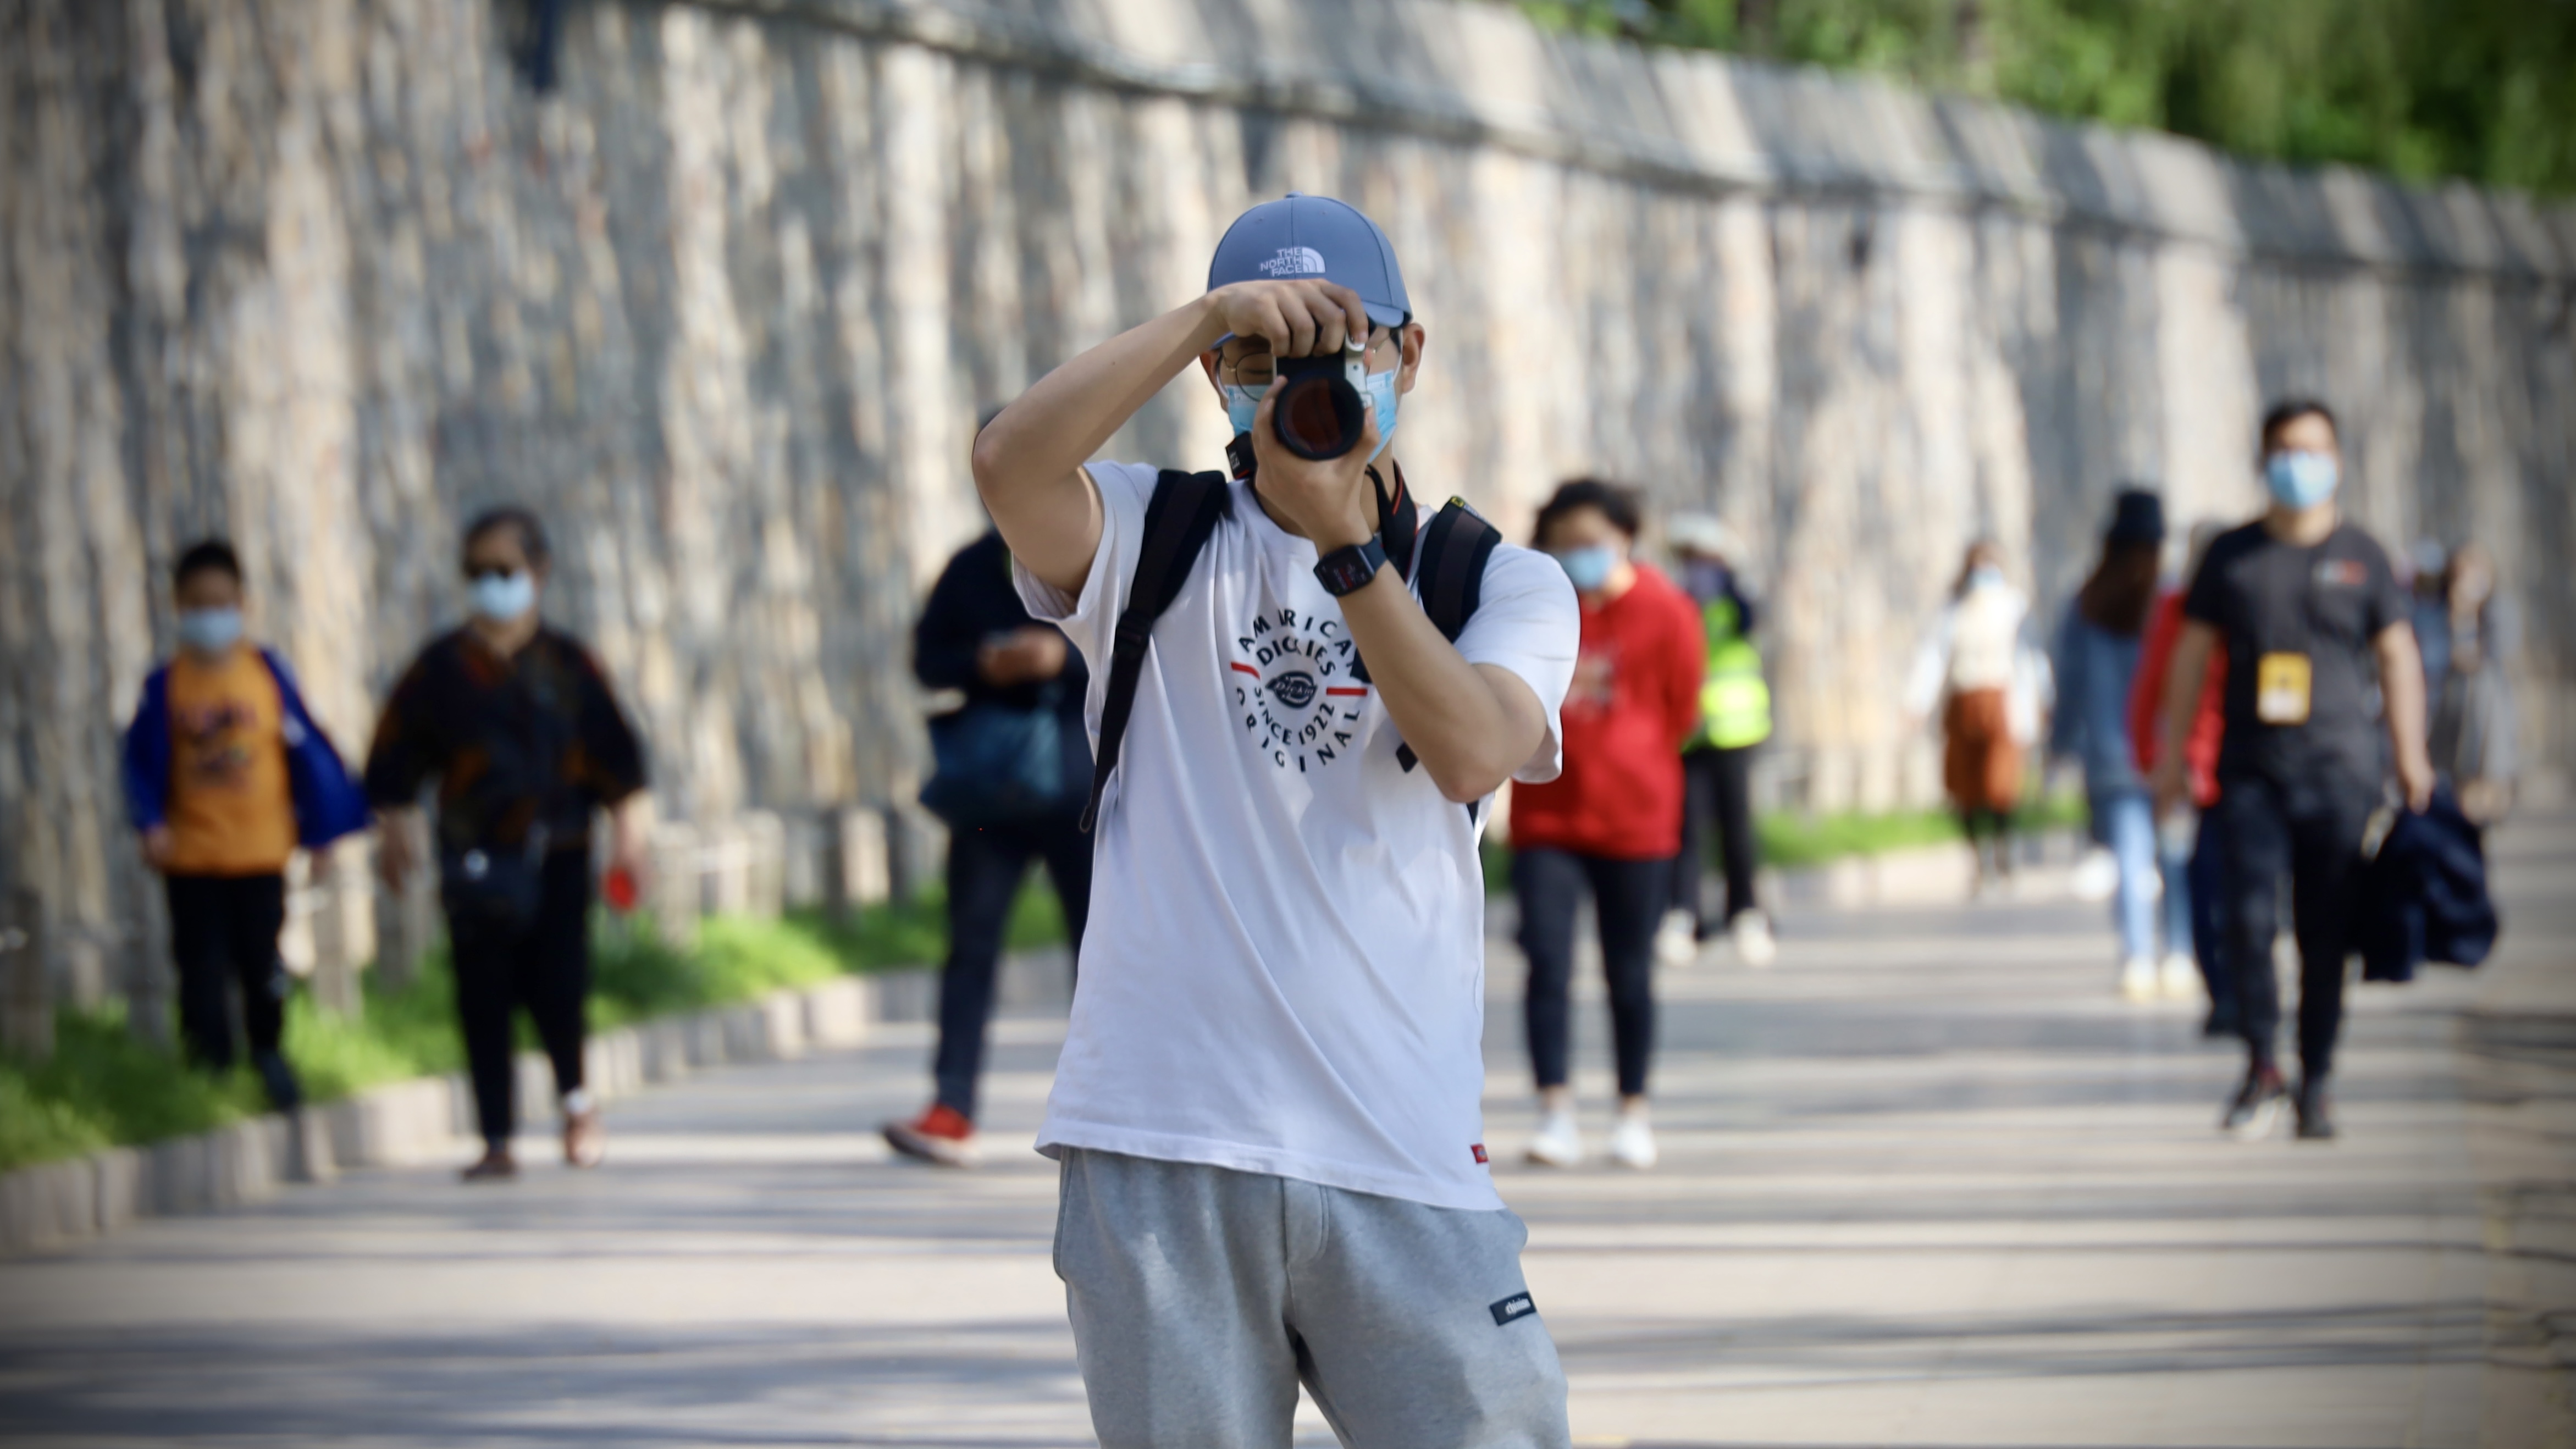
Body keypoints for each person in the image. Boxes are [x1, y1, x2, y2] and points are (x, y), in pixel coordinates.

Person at [971, 193, 1579, 1445]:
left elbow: (1472, 749)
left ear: (1409, 354)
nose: (1307, 378)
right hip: (1161, 1141)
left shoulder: (1494, 579)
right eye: (1262, 354)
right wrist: (1202, 313)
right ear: (1216, 377)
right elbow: (1008, 464)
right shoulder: (1150, 536)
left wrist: (1349, 546)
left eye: (1346, 343)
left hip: (1398, 1144)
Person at [2152, 400, 2434, 1142]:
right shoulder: (2232, 556)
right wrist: (2170, 760)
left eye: (2312, 450)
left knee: (2325, 932)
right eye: (2284, 449)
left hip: (2340, 771)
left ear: (2336, 460)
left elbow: (2398, 655)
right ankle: (2261, 1066)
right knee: (2246, 920)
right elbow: (2189, 657)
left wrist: (2410, 754)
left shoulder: (2363, 555)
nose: (2297, 463)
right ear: (2262, 459)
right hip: (2251, 772)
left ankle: (2318, 1077)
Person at [364, 507, 649, 1182]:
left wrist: (631, 843)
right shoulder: (440, 668)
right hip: (475, 859)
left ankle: (577, 1104)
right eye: (476, 570)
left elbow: (621, 764)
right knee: (481, 993)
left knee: (560, 986)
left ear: (538, 571)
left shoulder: (570, 664)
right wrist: (394, 835)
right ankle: (495, 1137)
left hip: (560, 852)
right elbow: (393, 765)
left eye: (504, 568)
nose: (490, 582)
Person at [120, 539, 369, 1110]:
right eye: (197, 604)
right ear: (178, 606)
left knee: (263, 961)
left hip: (261, 852)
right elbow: (140, 764)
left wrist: (321, 833)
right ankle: (208, 1068)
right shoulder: (166, 686)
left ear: (243, 603)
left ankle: (269, 1053)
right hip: (192, 855)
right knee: (199, 965)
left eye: (221, 602)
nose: (211, 615)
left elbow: (307, 755)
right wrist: (150, 822)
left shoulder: (267, 676)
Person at [883, 515, 1094, 1168]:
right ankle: (950, 1107)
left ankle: (1104, 1112)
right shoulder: (971, 565)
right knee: (970, 945)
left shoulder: (1095, 550)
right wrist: (983, 662)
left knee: (1101, 950)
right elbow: (927, 660)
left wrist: (1065, 657)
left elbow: (1153, 650)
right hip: (988, 797)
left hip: (1081, 791)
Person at [1509, 480, 1703, 1172]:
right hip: (1547, 816)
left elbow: (1682, 708)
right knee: (1547, 963)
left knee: (1630, 969)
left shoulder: (1668, 609)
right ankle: (1555, 1111)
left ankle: (1632, 1110)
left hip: (1637, 820)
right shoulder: (1536, 604)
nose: (1579, 555)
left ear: (1625, 537)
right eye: (1565, 543)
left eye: (1591, 542)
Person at [2050, 490, 2187, 1003]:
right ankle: (2180, 954)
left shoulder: (2087, 603)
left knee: (2131, 859)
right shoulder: (2171, 601)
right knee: (2174, 855)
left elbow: (2070, 681)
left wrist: (2060, 742)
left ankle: (2137, 960)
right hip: (2166, 750)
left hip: (2111, 753)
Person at [2131, 519, 2236, 1035]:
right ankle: (2223, 990)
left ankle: (2242, 987)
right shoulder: (2177, 609)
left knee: (2237, 885)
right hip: (2198, 768)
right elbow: (2152, 686)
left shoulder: (2251, 604)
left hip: (2250, 762)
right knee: (2202, 879)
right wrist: (2154, 759)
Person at [1663, 513, 1776, 969]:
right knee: (1686, 830)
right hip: (1689, 735)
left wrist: (1733, 583)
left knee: (1737, 828)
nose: (1698, 569)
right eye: (1690, 560)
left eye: (1706, 560)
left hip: (1736, 731)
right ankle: (1684, 914)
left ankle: (1745, 911)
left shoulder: (1735, 601)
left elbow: (1751, 623)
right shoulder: (1678, 603)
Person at [1907, 541, 2037, 892]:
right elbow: (1933, 656)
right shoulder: (1954, 611)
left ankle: (2005, 852)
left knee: (2001, 784)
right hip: (1964, 699)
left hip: (2002, 700)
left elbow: (2030, 657)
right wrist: (1917, 702)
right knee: (1965, 786)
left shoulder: (2014, 606)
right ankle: (1980, 861)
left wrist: (2041, 700)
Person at [2424, 541, 2520, 827]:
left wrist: (2470, 616)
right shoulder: (2438, 612)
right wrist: (2460, 615)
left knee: (2490, 775)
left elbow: (2493, 653)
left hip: (2488, 704)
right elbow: (2441, 654)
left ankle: (2481, 826)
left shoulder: (2500, 610)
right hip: (2451, 702)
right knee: (2457, 776)